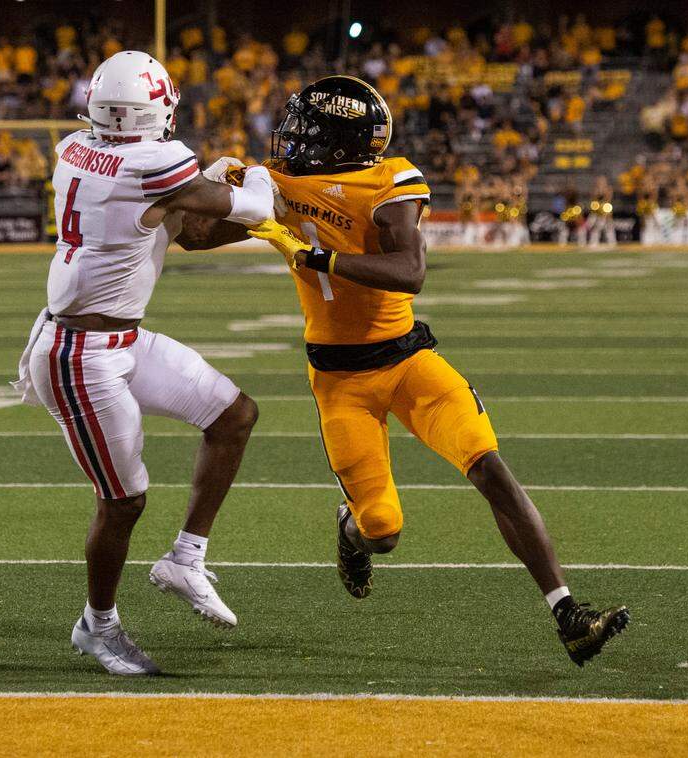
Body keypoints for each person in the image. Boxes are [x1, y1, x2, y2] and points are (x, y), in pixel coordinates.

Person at [179, 76, 629, 666]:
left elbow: (410, 270)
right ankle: (351, 532)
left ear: (337, 142)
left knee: (490, 467)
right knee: (383, 529)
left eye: (304, 131)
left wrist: (324, 258)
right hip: (339, 380)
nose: (289, 139)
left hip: (407, 359)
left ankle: (568, 612)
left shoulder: (387, 180)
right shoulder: (276, 184)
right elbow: (195, 238)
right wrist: (211, 188)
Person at [10, 51, 275, 675]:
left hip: (120, 340)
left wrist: (225, 193)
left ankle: (185, 558)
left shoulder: (76, 146)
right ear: (156, 108)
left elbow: (186, 227)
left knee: (234, 415)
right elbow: (251, 206)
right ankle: (97, 628)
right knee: (124, 502)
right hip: (80, 355)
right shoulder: (153, 160)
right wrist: (267, 183)